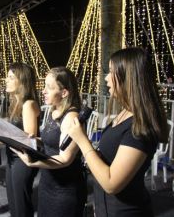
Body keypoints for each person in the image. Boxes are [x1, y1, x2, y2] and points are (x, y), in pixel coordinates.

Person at [67, 47, 168, 216]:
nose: (106, 78)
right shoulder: (124, 112)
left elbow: (112, 183)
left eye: (111, 72)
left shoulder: (141, 126)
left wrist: (82, 141)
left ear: (128, 78)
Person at [15, 67, 86, 217]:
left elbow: (65, 159)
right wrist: (32, 140)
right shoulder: (54, 111)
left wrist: (32, 162)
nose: (44, 91)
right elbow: (51, 142)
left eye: (49, 87)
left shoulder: (71, 117)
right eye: (45, 86)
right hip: (48, 183)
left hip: (64, 190)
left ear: (64, 93)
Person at [3, 62, 40, 217]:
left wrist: (2, 133)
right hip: (12, 156)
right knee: (13, 201)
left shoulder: (28, 104)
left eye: (11, 77)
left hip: (22, 159)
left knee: (21, 204)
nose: (6, 80)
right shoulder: (15, 102)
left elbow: (29, 138)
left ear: (22, 81)